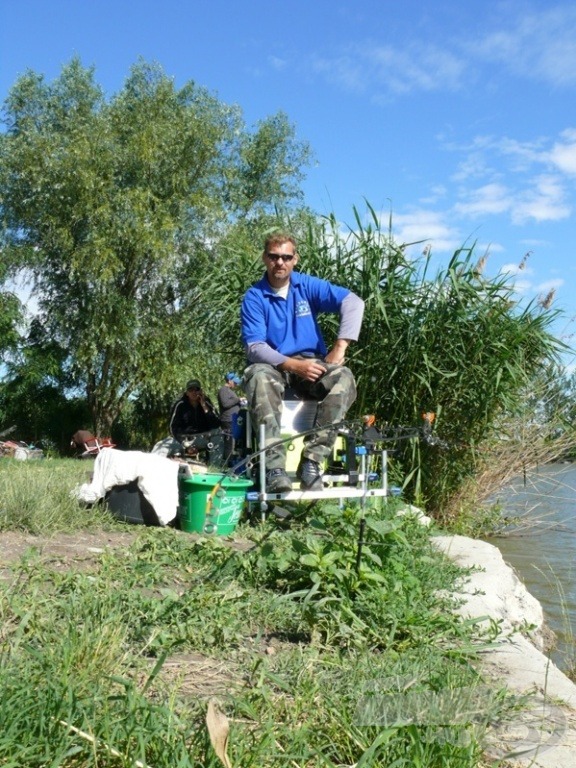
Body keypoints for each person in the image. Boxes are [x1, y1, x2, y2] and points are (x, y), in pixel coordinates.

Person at [240, 232, 364, 493]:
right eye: (274, 257)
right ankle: (273, 468)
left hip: (311, 364)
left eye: (286, 257)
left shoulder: (306, 286)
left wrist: (340, 346)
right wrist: (292, 365)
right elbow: (255, 347)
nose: (280, 263)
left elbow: (353, 302)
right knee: (258, 375)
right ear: (265, 258)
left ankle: (312, 462)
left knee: (344, 376)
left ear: (295, 259)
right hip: (273, 367)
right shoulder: (254, 297)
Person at [168, 379, 225, 466]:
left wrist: (204, 407)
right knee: (169, 444)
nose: (194, 392)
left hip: (202, 437)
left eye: (196, 389)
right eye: (191, 390)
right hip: (185, 439)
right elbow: (172, 427)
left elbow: (216, 424)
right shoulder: (180, 405)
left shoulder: (206, 402)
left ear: (200, 391)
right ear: (187, 393)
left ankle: (214, 468)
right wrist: (184, 444)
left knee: (218, 433)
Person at [217, 372, 244, 462]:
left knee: (233, 442)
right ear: (229, 381)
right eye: (235, 382)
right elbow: (225, 404)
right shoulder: (223, 390)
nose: (236, 384)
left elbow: (232, 403)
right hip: (228, 420)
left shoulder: (230, 391)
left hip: (233, 419)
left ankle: (232, 461)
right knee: (229, 442)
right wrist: (238, 399)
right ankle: (227, 463)